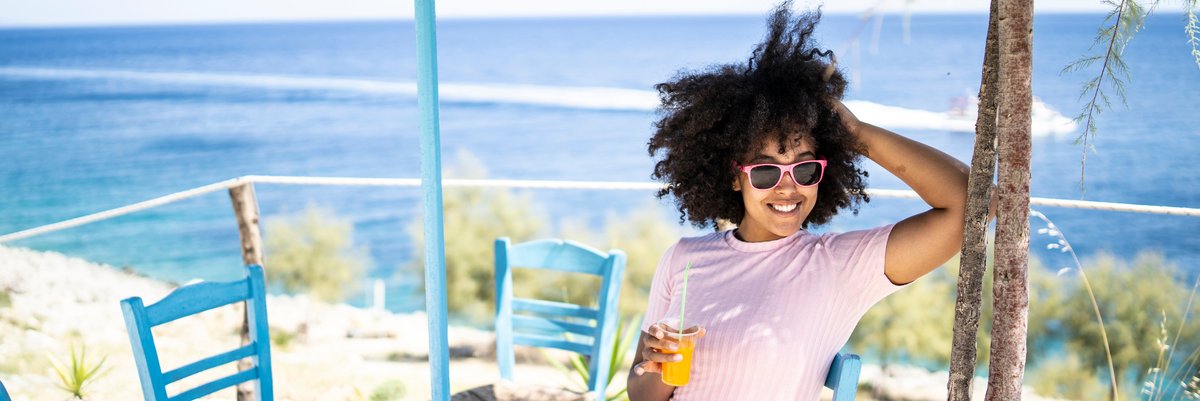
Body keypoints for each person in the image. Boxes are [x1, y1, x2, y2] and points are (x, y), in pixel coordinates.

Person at [625, 3, 971, 400]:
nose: (788, 188)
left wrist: (857, 134)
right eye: (766, 172)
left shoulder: (839, 265)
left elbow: (970, 206)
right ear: (735, 178)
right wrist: (656, 367)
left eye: (806, 170)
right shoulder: (681, 258)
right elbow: (640, 394)